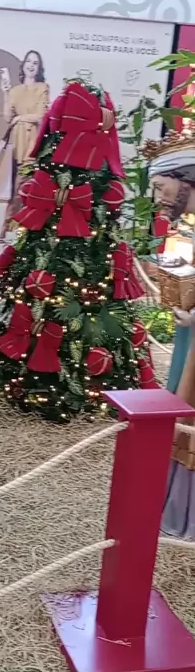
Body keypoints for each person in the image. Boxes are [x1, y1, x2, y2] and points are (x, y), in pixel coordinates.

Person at [146, 132, 195, 536]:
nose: (157, 196)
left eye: (161, 186)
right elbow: (178, 290)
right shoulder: (183, 229)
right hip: (187, 347)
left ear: (186, 181)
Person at [0, 50, 49, 242]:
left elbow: (41, 116)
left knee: (24, 185)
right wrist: (5, 91)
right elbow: (7, 117)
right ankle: (11, 229)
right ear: (23, 64)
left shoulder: (42, 88)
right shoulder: (15, 91)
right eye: (28, 61)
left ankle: (13, 228)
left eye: (35, 63)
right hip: (16, 144)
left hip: (32, 143)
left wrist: (20, 118)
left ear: (39, 68)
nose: (31, 65)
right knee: (14, 188)